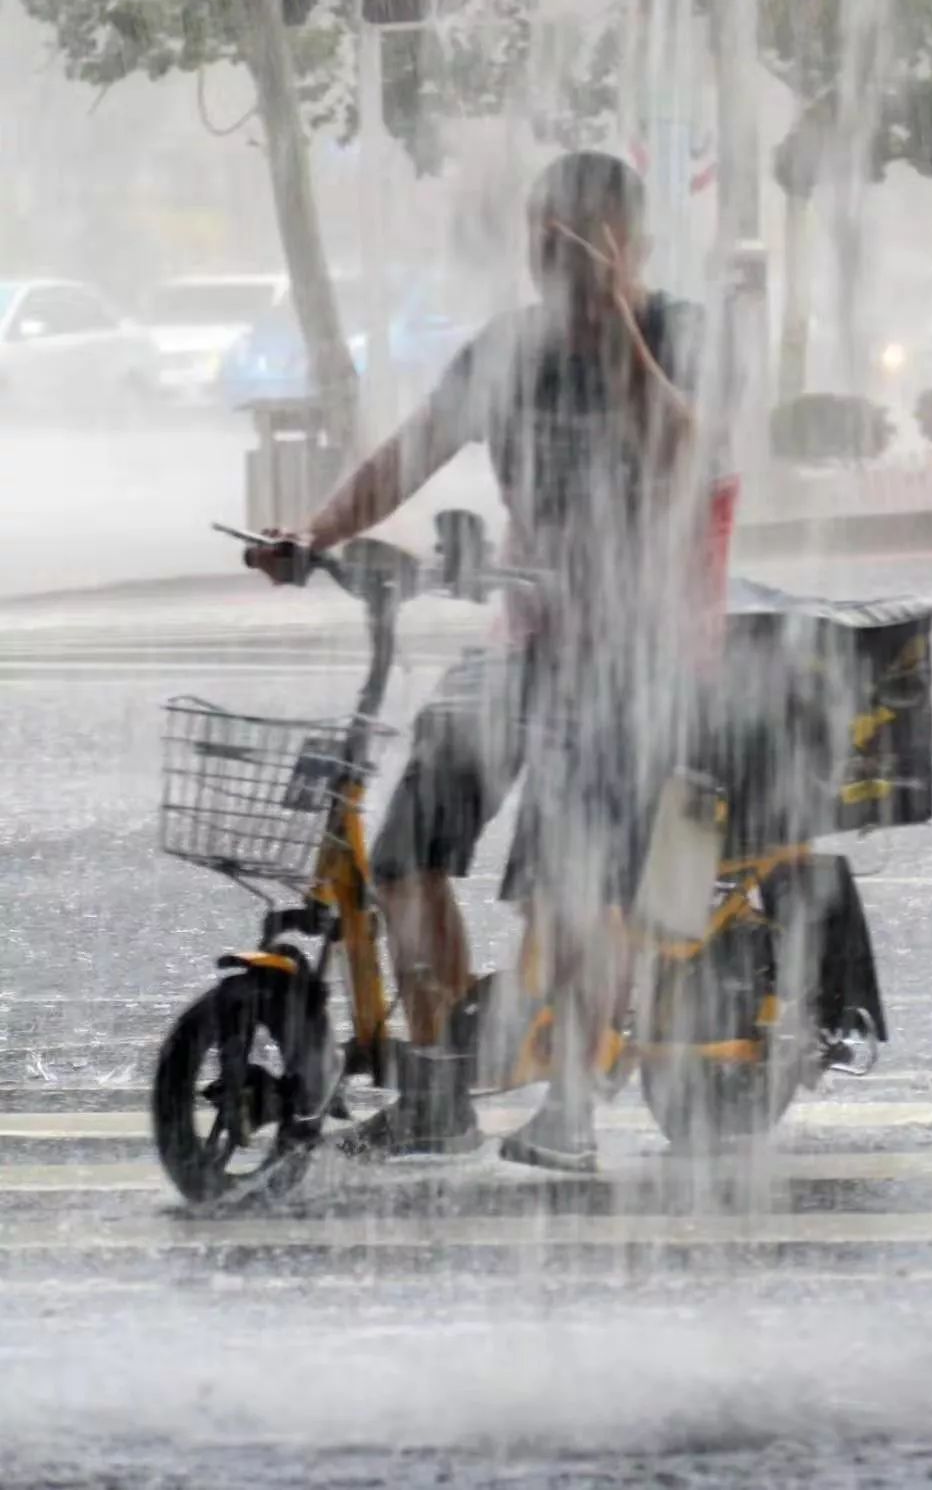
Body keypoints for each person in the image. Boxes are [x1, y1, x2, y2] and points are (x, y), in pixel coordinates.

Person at [254, 151, 707, 1171]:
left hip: (636, 661)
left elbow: (685, 446)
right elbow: (408, 453)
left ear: (629, 244)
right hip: (525, 643)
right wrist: (313, 535)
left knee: (571, 884)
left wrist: (618, 324)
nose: (557, 262)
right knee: (405, 856)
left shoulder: (680, 334)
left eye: (579, 241)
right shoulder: (510, 348)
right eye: (543, 241)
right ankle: (436, 1089)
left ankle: (576, 1112)